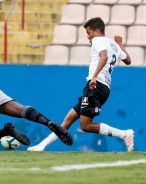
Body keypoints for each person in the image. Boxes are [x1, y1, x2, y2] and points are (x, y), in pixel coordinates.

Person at [27, 17, 134, 152]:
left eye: (89, 33)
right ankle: (42, 145)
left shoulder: (97, 40)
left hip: (95, 86)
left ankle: (124, 134)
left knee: (85, 126)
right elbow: (128, 60)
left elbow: (104, 56)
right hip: (102, 87)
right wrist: (120, 43)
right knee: (68, 119)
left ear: (96, 31)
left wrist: (94, 76)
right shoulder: (113, 44)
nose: (88, 37)